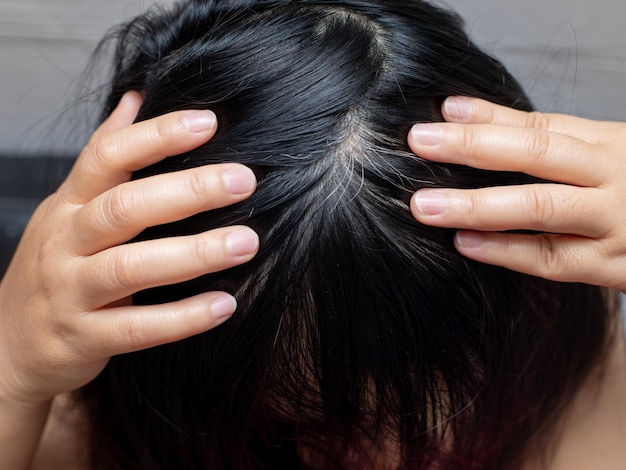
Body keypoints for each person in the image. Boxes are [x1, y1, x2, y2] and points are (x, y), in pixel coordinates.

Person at [0, 1, 623, 469]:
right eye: (300, 424)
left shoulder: (593, 404)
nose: (368, 458)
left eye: (414, 411)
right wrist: (11, 375)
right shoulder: (65, 409)